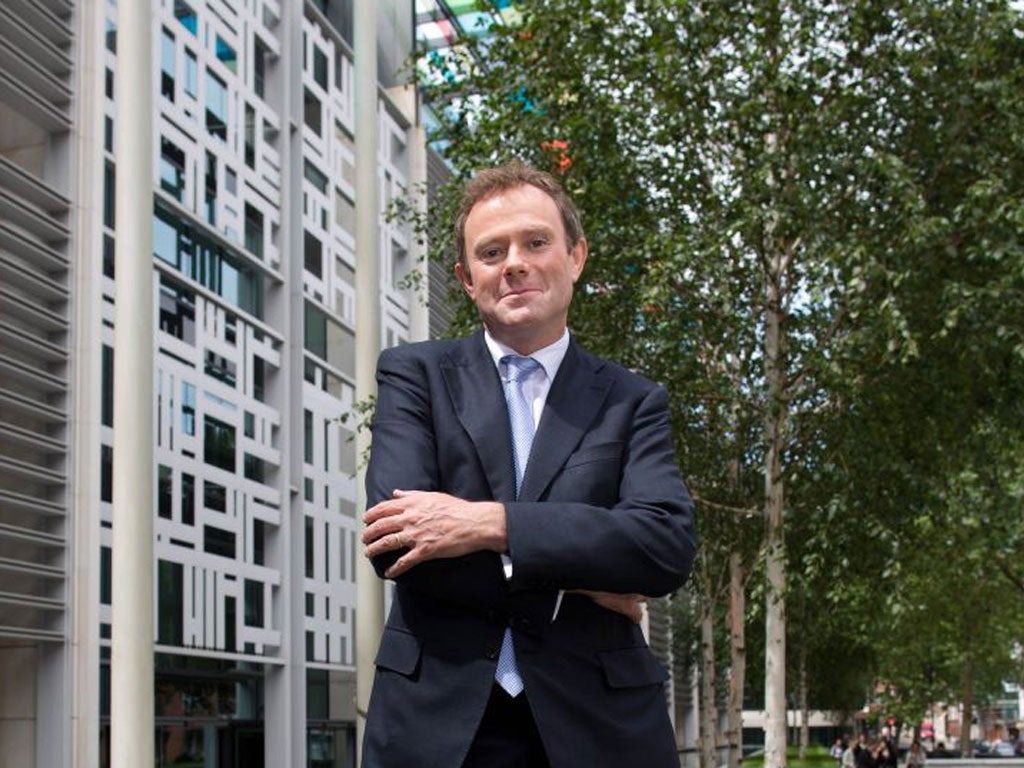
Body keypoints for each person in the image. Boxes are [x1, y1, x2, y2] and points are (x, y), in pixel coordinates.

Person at [359, 161, 698, 768]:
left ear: (576, 256)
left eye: (536, 242)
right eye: (491, 252)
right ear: (467, 279)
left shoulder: (633, 401)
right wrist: (587, 579)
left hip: (602, 728)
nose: (514, 263)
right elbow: (398, 543)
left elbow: (664, 547)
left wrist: (491, 525)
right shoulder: (413, 376)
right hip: (436, 727)